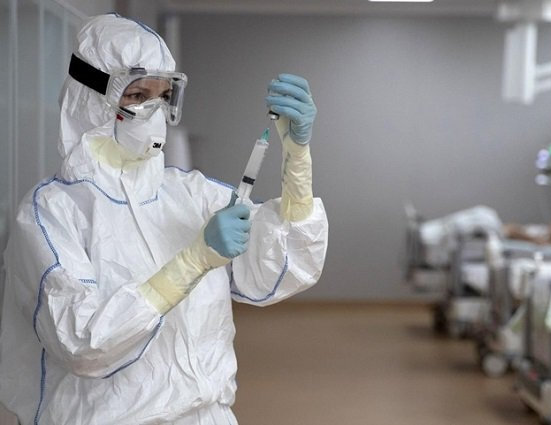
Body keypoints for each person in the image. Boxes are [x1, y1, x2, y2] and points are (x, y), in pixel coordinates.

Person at [0, 14, 328, 425]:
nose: (154, 110)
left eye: (164, 95)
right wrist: (193, 260)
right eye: (138, 95)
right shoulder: (50, 213)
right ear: (92, 99)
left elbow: (285, 262)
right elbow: (82, 344)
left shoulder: (188, 194)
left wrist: (297, 158)